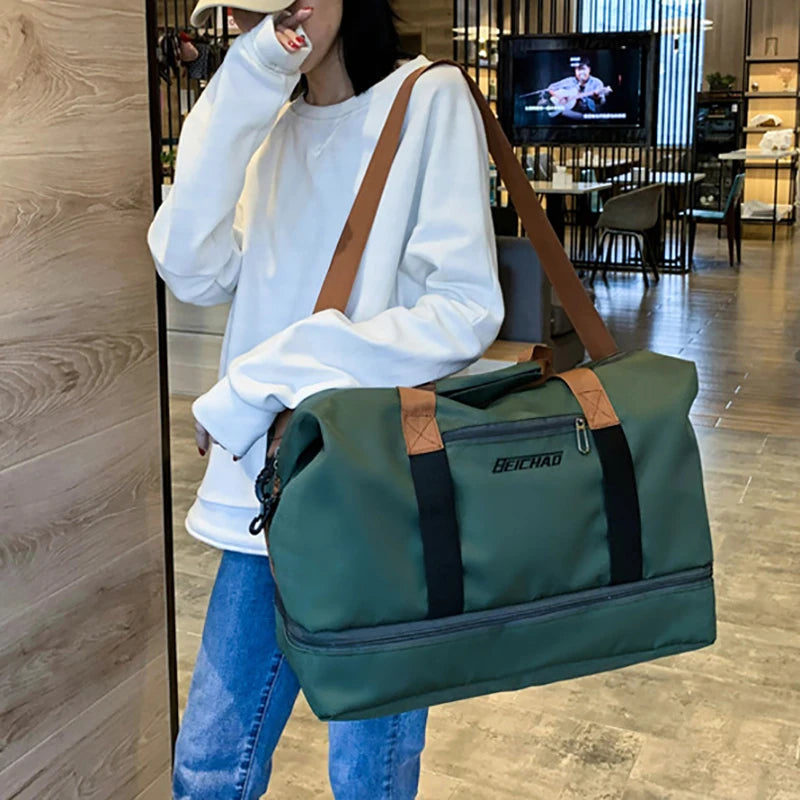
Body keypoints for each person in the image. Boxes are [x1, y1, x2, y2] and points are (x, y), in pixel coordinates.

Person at [147, 0, 504, 797]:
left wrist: (267, 378)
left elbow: (465, 308)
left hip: (375, 494)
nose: (266, 24)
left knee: (368, 777)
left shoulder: (428, 98)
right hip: (264, 500)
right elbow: (187, 262)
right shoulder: (269, 133)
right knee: (207, 771)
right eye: (241, 17)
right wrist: (247, 79)